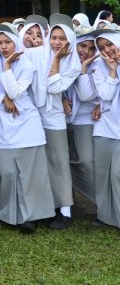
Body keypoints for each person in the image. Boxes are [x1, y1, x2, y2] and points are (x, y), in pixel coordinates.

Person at [0, 24, 55, 234]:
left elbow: (16, 91)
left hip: (26, 121)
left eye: (7, 42)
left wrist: (7, 68)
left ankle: (31, 217)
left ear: (15, 42)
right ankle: (9, 214)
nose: (3, 47)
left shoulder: (26, 63)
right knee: (6, 171)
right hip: (1, 122)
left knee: (30, 173)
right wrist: (1, 99)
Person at [28, 15, 81, 229]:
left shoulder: (73, 63)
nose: (57, 43)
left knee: (59, 162)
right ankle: (48, 207)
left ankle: (65, 211)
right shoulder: (36, 54)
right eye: (54, 38)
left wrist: (57, 60)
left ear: (70, 42)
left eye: (62, 39)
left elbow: (54, 88)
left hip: (54, 116)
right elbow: (12, 55)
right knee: (41, 163)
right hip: (34, 115)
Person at [67, 27, 100, 204]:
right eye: (82, 46)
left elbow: (85, 95)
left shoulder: (97, 65)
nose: (86, 52)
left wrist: (83, 70)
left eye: (91, 48)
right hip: (61, 119)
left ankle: (99, 201)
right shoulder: (62, 60)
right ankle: (66, 201)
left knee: (86, 161)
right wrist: (63, 99)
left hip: (85, 119)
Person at [91, 31, 120, 227]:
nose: (106, 50)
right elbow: (106, 95)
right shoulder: (98, 67)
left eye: (109, 44)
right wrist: (112, 70)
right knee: (102, 174)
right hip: (104, 127)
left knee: (118, 173)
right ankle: (105, 216)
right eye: (101, 48)